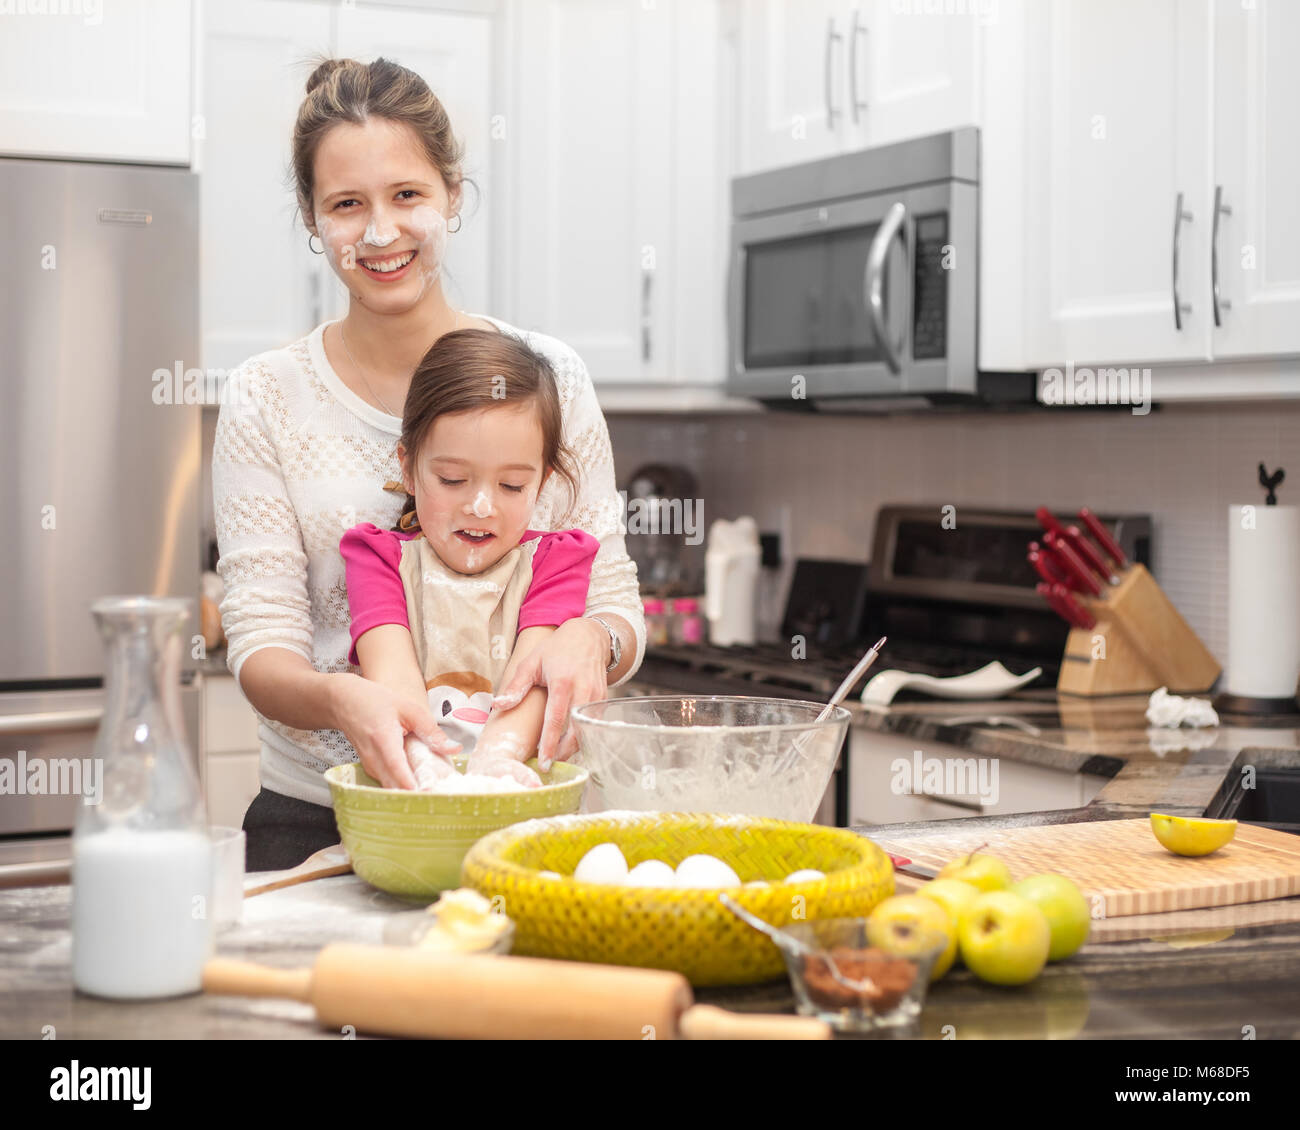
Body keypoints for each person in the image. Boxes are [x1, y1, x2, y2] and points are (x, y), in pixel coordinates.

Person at [213, 56, 643, 870]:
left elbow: (618, 605)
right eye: (347, 205)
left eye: (407, 195)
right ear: (312, 217)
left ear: (451, 193)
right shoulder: (264, 398)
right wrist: (344, 698)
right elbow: (262, 648)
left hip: (526, 819)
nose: (381, 232)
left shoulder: (552, 378)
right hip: (317, 817)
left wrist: (594, 638)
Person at [340, 328, 598, 790]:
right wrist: (426, 763)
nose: (481, 506)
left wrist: (493, 767)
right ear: (409, 468)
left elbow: (530, 681)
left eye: (512, 486)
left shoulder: (555, 563)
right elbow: (391, 677)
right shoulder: (378, 561)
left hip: (517, 797)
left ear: (543, 482)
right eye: (454, 479)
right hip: (411, 792)